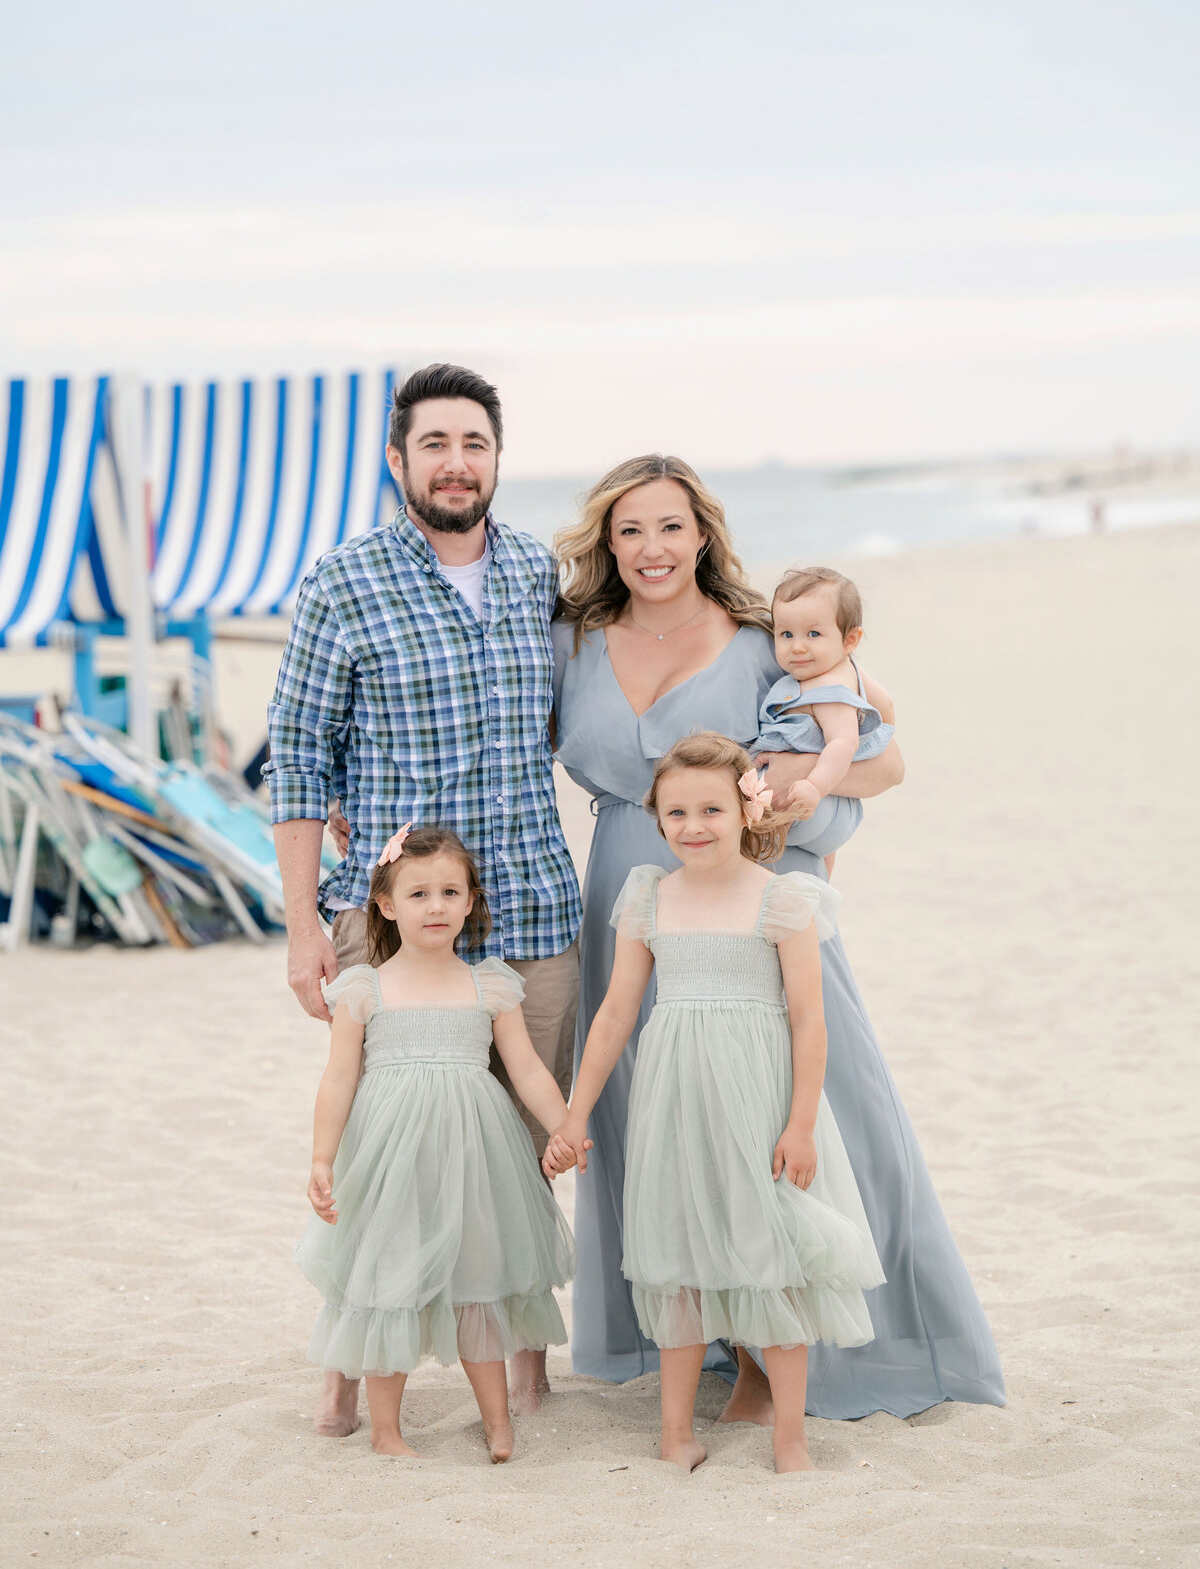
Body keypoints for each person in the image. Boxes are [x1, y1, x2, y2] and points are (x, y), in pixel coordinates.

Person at [552, 453, 1005, 1420]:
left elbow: (882, 758)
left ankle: (836, 1348)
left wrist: (792, 804)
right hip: (628, 893)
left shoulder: (769, 640)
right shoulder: (574, 639)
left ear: (704, 533)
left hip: (758, 884)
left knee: (819, 1106)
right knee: (661, 1114)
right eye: (629, 529)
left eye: (670, 526)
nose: (651, 548)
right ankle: (711, 1338)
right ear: (606, 541)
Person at [267, 363, 581, 1432]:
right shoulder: (343, 580)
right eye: (435, 443)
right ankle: (348, 1372)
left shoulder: (542, 570)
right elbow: (299, 761)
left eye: (475, 444)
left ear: (498, 459)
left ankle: (526, 1360)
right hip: (389, 929)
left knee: (525, 1139)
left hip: (533, 911)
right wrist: (305, 924)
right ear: (397, 461)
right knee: (382, 1147)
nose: (457, 462)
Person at [545, 733, 883, 1473]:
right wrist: (575, 1114)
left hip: (760, 1102)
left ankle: (788, 1434)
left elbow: (807, 1019)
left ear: (745, 809)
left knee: (777, 1256)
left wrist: (799, 1123)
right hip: (677, 1101)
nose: (693, 825)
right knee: (681, 1259)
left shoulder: (783, 898)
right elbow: (612, 1016)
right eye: (676, 813)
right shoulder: (649, 895)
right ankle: (675, 1432)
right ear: (657, 818)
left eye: (710, 809)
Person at [298, 826, 575, 1462]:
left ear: (472, 902)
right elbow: (340, 1078)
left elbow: (527, 1069)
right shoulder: (364, 989)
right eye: (418, 893)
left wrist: (563, 1123)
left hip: (474, 1152)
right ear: (388, 906)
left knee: (477, 1275)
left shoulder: (490, 984)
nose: (436, 906)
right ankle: (387, 1430)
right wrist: (321, 1158)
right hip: (391, 1155)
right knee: (388, 1276)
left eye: (451, 892)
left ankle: (497, 1421)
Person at [753, 565, 894, 870]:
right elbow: (886, 704)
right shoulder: (842, 673)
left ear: (850, 640)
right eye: (786, 634)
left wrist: (815, 786)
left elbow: (843, 742)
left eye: (814, 634)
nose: (798, 646)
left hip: (809, 795)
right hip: (819, 805)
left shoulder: (831, 691)